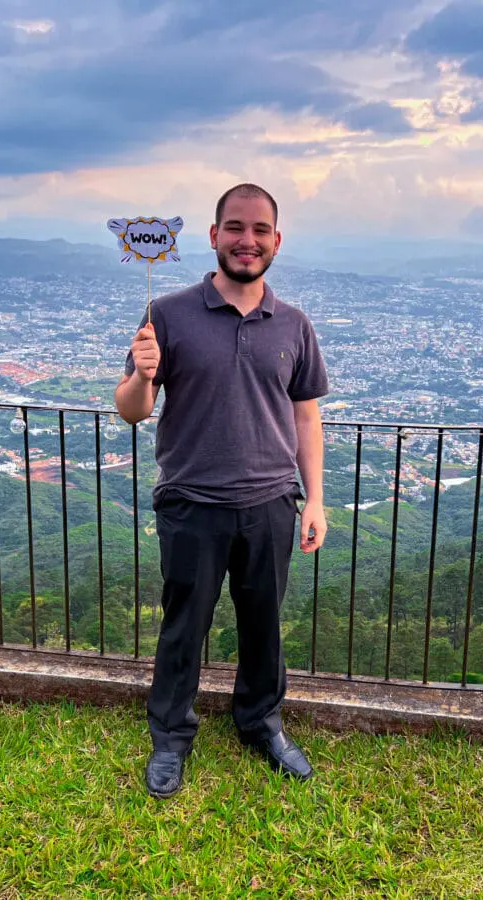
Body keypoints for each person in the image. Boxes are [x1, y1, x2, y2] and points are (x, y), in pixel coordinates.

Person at [114, 183, 329, 799]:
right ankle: (170, 737)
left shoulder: (294, 324)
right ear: (214, 236)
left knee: (264, 625)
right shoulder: (167, 314)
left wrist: (314, 499)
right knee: (184, 626)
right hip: (192, 502)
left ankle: (261, 724)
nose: (247, 240)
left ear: (276, 241)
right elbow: (131, 409)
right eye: (235, 227)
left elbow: (306, 415)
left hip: (271, 502)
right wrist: (143, 374)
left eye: (260, 230)